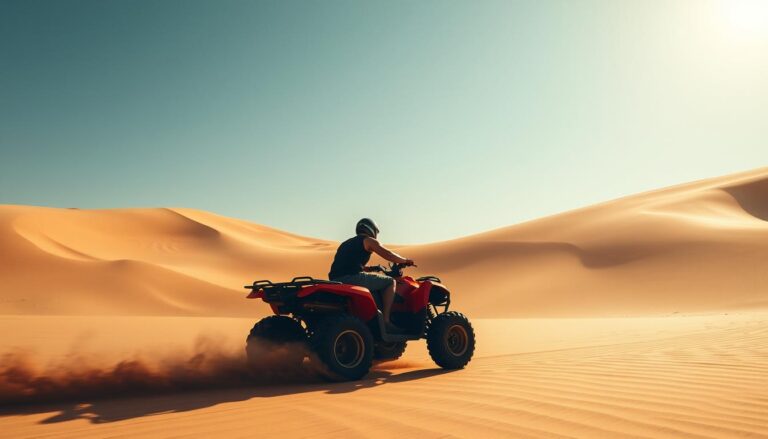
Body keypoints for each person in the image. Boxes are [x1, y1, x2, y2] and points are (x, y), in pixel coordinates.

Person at [328, 218, 415, 331]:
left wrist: (368, 268)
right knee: (390, 282)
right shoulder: (368, 240)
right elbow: (388, 254)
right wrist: (405, 260)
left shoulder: (346, 243)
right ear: (371, 229)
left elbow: (348, 263)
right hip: (351, 278)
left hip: (335, 279)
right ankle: (386, 322)